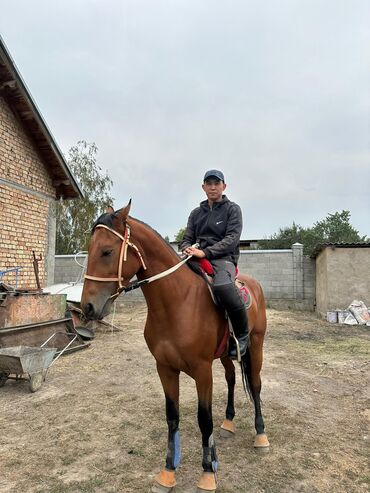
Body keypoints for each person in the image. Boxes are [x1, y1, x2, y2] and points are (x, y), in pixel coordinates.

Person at [180, 169, 249, 359]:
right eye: (208, 183)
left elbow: (232, 239)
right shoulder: (196, 213)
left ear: (223, 186)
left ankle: (242, 336)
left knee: (223, 286)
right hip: (197, 256)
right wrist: (187, 248)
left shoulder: (233, 209)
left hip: (223, 258)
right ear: (203, 187)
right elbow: (186, 238)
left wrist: (206, 252)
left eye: (216, 183)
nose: (212, 187)